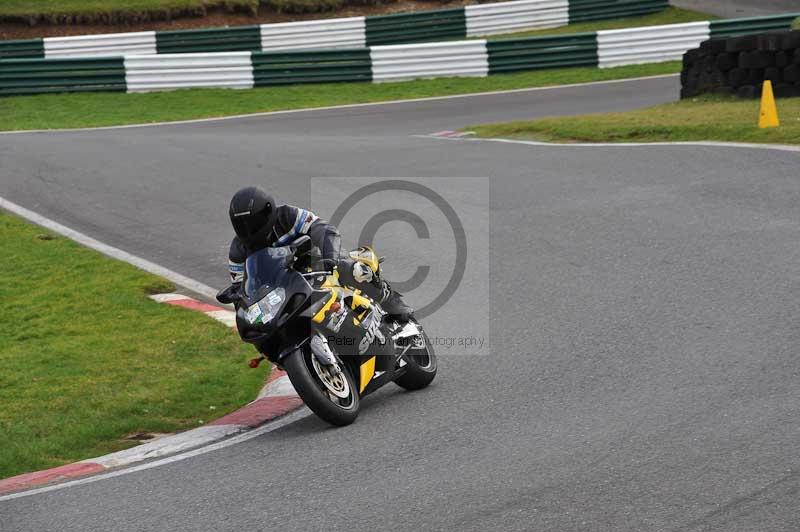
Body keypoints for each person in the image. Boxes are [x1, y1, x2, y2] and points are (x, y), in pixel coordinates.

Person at [220, 186, 414, 322]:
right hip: (284, 288)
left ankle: (390, 301)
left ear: (268, 211)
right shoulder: (238, 251)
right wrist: (239, 297)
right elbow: (241, 288)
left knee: (350, 270)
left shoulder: (287, 215)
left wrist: (331, 256)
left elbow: (321, 228)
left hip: (319, 263)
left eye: (253, 222)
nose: (248, 229)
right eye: (242, 224)